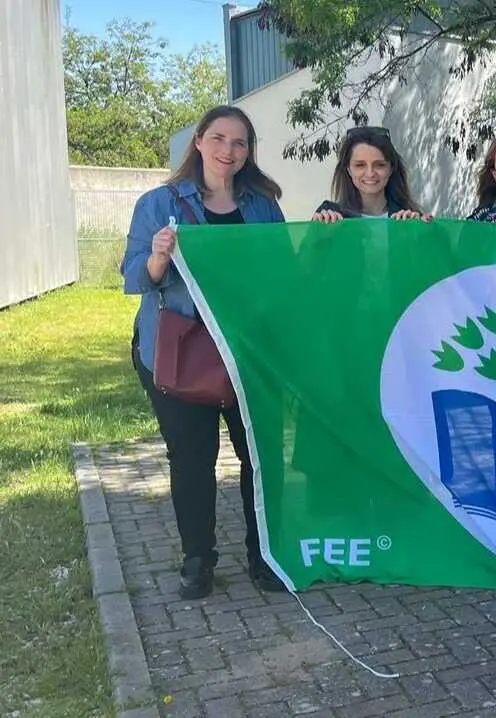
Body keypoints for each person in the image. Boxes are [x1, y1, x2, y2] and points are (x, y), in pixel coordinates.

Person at [121, 105, 287, 600]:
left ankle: (265, 556)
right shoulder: (158, 203)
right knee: (192, 459)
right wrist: (157, 258)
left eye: (239, 143)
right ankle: (198, 560)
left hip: (247, 350)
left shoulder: (261, 205)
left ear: (248, 152)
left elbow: (282, 272)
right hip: (178, 349)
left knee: (258, 457)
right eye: (219, 139)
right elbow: (134, 277)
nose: (228, 151)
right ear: (198, 142)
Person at [311, 126, 431, 221]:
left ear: (391, 168)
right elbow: (305, 252)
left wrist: (426, 233)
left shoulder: (409, 217)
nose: (370, 173)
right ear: (348, 169)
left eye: (379, 165)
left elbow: (441, 250)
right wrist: (316, 237)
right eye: (360, 165)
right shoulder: (330, 216)